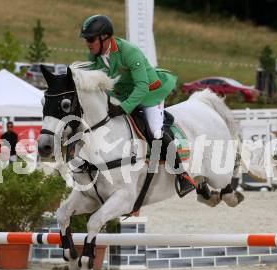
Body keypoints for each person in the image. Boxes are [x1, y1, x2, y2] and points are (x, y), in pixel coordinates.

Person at [79, 14, 196, 196]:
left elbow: (142, 85)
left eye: (90, 38)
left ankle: (183, 175)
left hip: (150, 92)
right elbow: (100, 84)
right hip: (123, 94)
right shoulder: (94, 56)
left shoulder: (129, 52)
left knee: (155, 132)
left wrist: (124, 107)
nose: (87, 42)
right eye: (86, 39)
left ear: (105, 37)